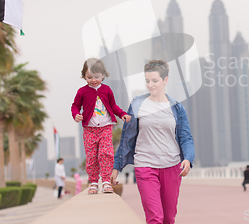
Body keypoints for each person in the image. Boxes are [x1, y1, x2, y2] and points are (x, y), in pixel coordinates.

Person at [111, 60, 195, 224]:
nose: (150, 85)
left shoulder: (177, 108)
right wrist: (116, 166)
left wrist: (188, 159)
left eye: (155, 81)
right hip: (145, 165)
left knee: (168, 219)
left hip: (171, 166)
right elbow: (126, 138)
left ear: (165, 80)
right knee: (155, 218)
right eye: (147, 81)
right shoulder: (137, 104)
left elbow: (186, 137)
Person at [71, 58, 131, 194]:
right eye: (89, 77)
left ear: (103, 75)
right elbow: (75, 106)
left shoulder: (107, 90)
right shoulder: (82, 91)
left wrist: (122, 114)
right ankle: (93, 182)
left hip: (105, 128)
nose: (93, 80)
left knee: (106, 154)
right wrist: (76, 114)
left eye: (97, 77)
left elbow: (113, 106)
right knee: (92, 156)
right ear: (84, 76)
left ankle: (105, 181)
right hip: (89, 130)